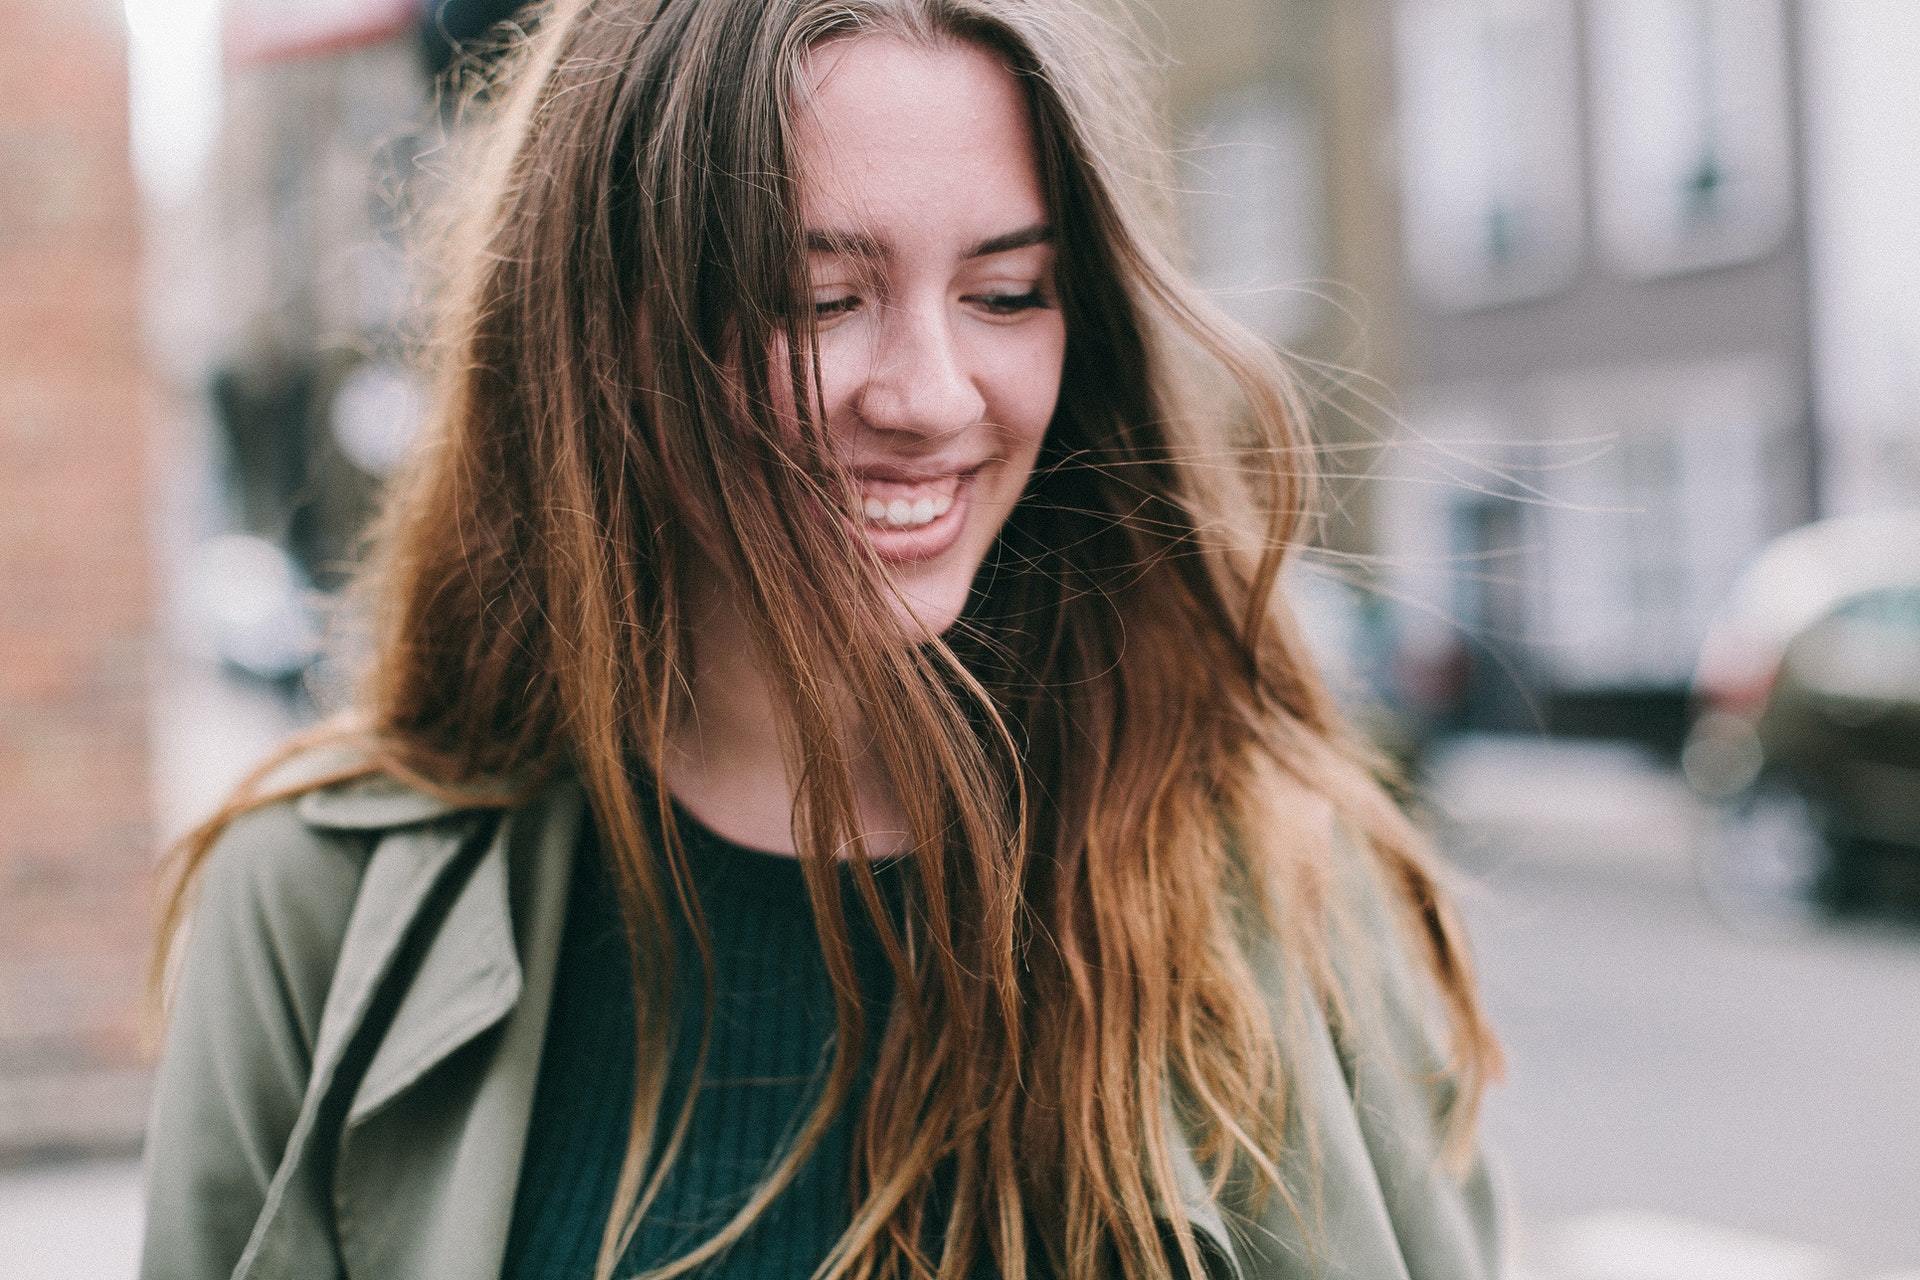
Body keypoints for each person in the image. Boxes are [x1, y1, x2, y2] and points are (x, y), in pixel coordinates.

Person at [140, 2, 1506, 1278]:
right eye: (819, 299)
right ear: (600, 332)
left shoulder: (1287, 885)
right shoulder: (313, 916)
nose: (930, 393)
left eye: (1007, 292)